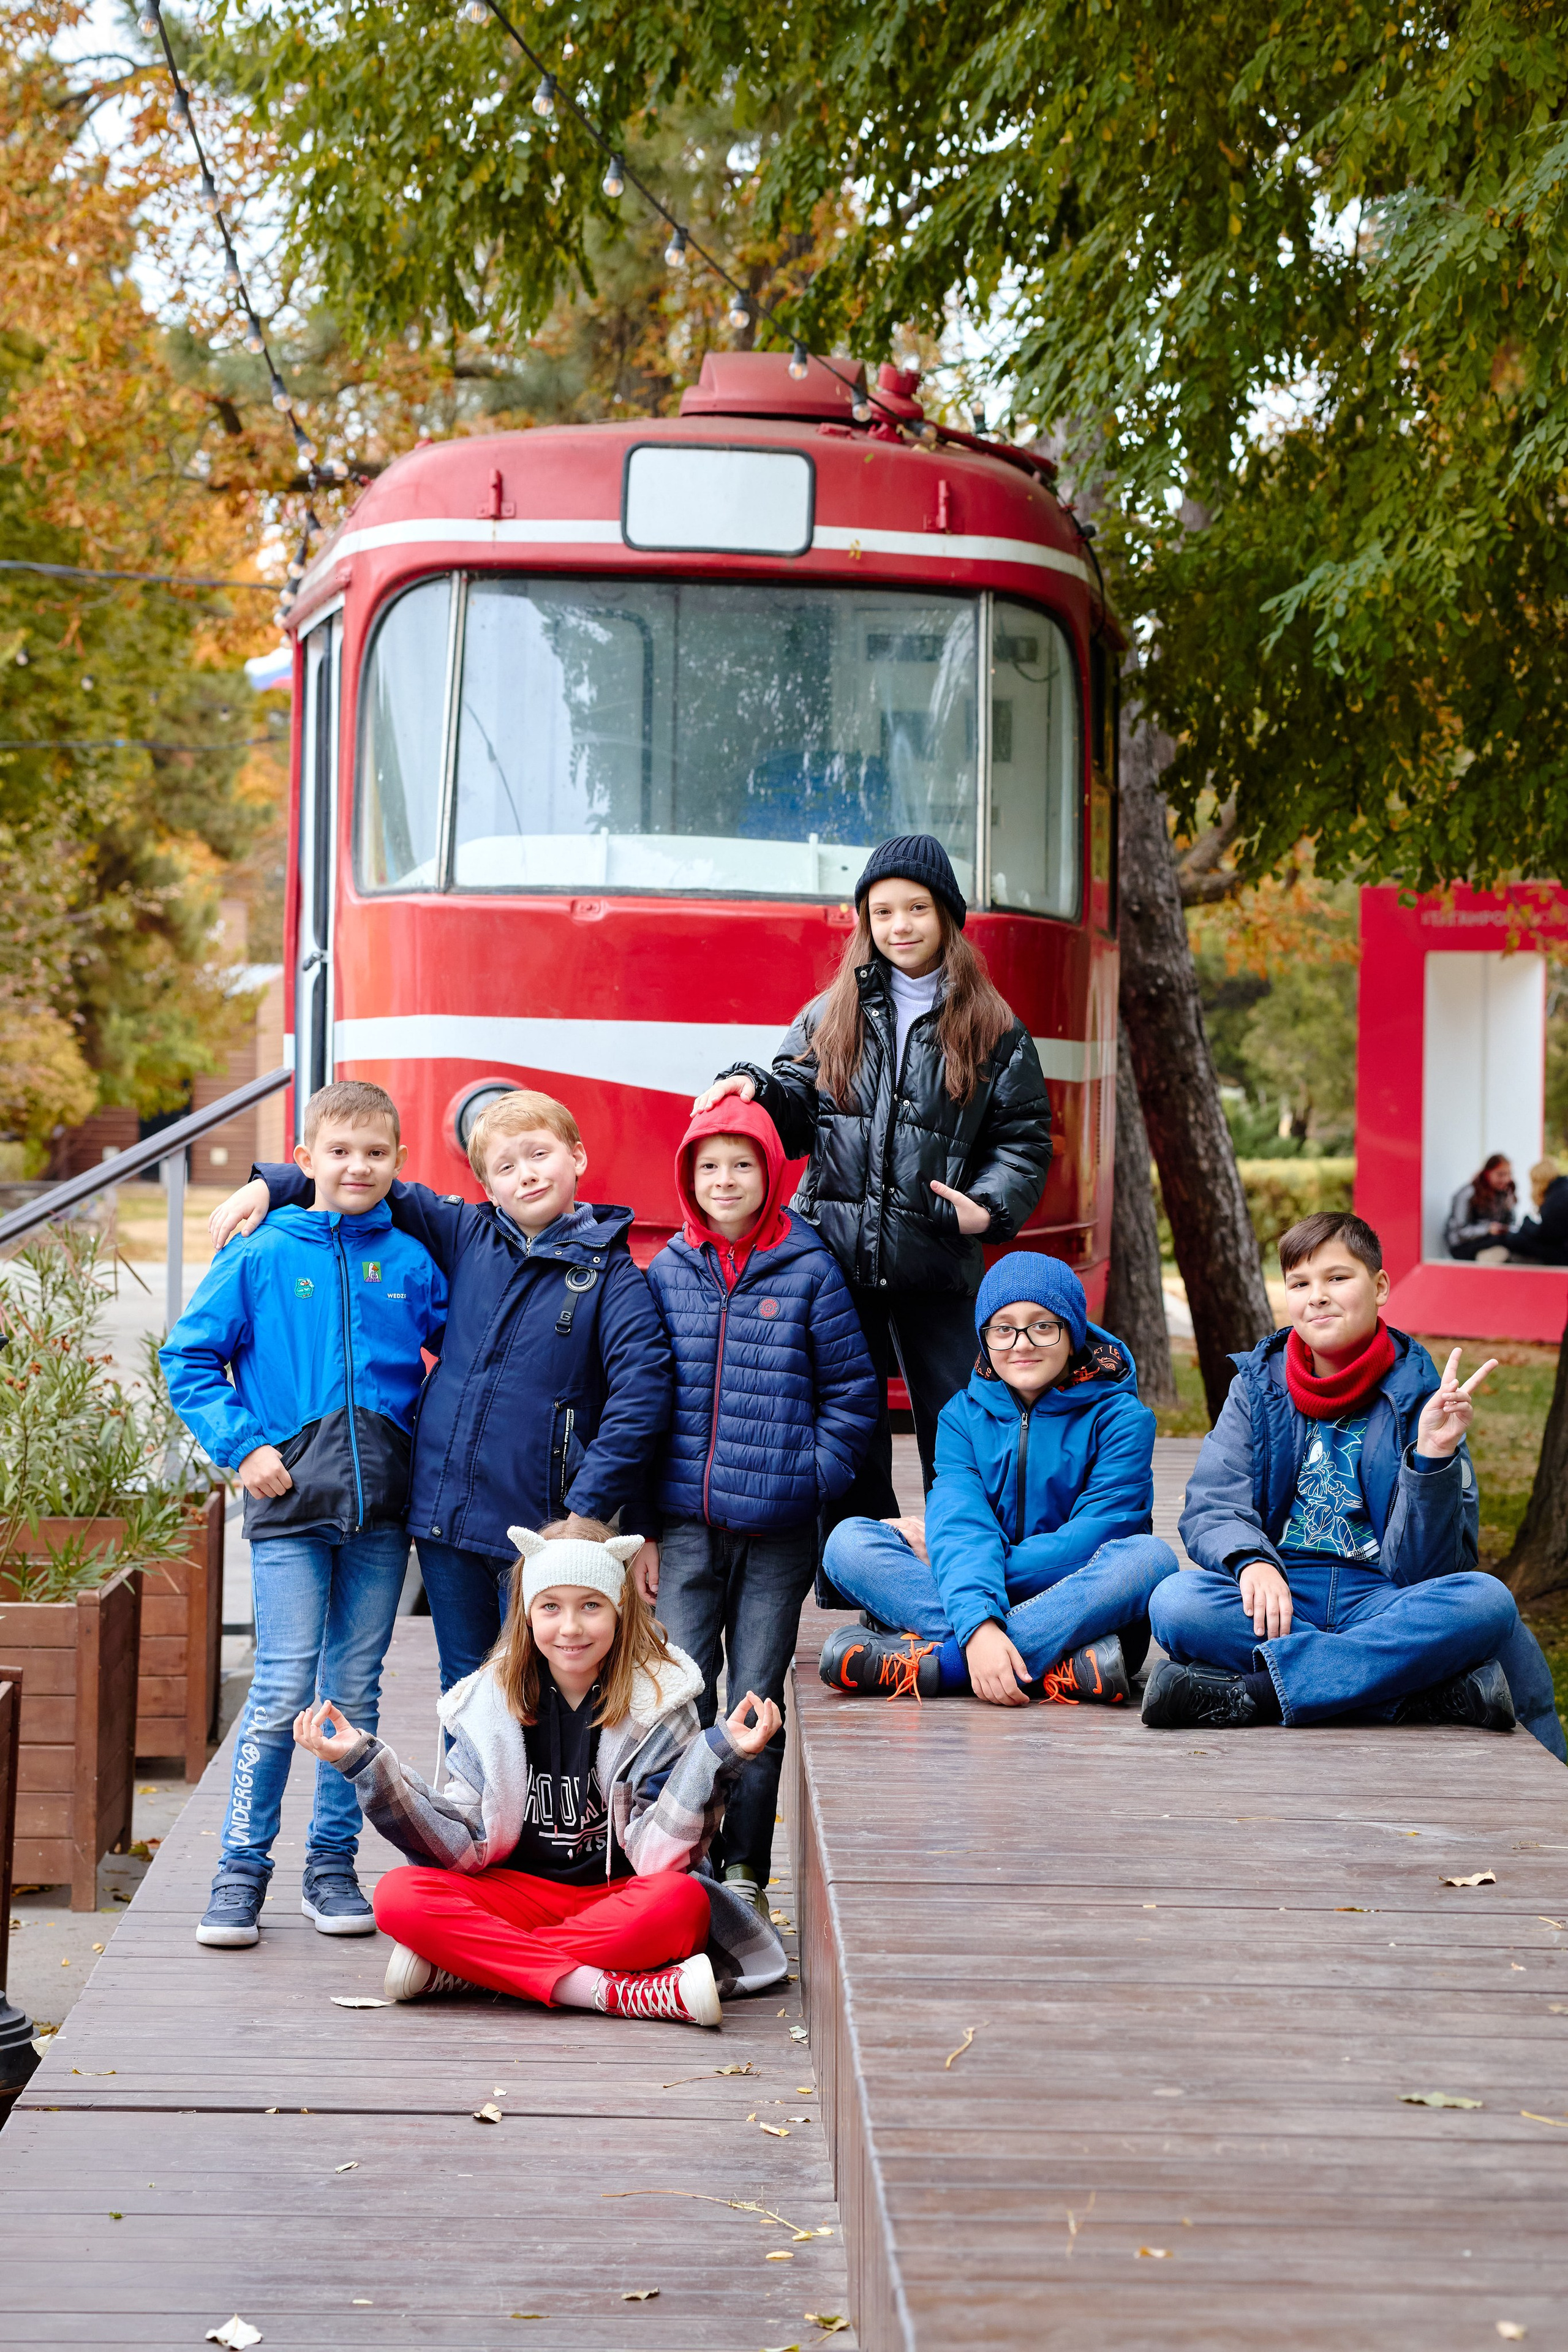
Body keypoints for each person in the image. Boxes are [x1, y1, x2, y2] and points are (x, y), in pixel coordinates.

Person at [208, 1089, 673, 1692]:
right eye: (506, 1167)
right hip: (444, 1520)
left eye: (540, 1155)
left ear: (578, 1157)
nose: (526, 1175)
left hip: (544, 1529)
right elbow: (363, 1182)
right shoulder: (463, 1232)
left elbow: (641, 1399)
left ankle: (544, 1791)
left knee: (551, 1682)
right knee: (465, 1685)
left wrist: (585, 1513)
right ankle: (467, 1792)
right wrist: (269, 1185)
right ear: (487, 1185)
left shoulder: (613, 1279)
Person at [692, 833, 1052, 1549]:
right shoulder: (830, 1014)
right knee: (848, 1420)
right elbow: (793, 1102)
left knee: (958, 1422)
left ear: (947, 916)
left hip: (939, 1257)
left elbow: (1024, 1138)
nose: (901, 926)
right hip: (834, 1258)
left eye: (916, 908)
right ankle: (863, 1567)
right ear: (866, 922)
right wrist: (756, 1085)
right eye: (882, 912)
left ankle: (965, 1559)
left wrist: (989, 1205)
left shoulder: (994, 1028)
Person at [161, 1079, 448, 1947]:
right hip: (288, 1509)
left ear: (397, 1165)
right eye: (339, 1151)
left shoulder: (410, 1263)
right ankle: (239, 1870)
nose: (356, 1166)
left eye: (374, 1153)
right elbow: (189, 1357)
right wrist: (244, 1447)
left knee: (351, 1692)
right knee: (283, 1685)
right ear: (305, 1160)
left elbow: (467, 1360)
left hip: (381, 1516)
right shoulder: (260, 1251)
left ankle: (332, 1867)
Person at [293, 1520, 788, 2024]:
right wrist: (363, 1762)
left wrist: (713, 1755)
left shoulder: (661, 1700)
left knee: (681, 1901)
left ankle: (473, 1969)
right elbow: (460, 1843)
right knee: (399, 1895)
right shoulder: (485, 1704)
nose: (570, 1627)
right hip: (515, 1891)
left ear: (619, 1609)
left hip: (619, 1894)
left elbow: (661, 1858)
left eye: (590, 1605)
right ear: (528, 1615)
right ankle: (611, 1991)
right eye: (551, 1606)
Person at [1145, 1210, 1566, 1754]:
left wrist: (1433, 1458)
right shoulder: (1258, 1386)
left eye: (1337, 1278)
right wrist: (1251, 1560)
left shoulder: (1421, 1392)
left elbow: (1430, 1571)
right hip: (1282, 1596)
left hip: (1384, 1599)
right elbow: (1212, 1503)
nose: (1317, 1296)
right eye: (1300, 1283)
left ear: (1380, 1286)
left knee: (1484, 1601)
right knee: (1177, 1602)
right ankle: (1413, 1694)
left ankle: (1258, 1694)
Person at [644, 1098, 878, 1919]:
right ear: (688, 1178)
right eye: (708, 1166)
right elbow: (642, 1397)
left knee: (754, 1695)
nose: (724, 1180)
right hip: (684, 1526)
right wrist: (639, 1524)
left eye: (742, 1164)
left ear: (772, 1173)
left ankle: (745, 1868)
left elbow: (854, 1394)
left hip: (778, 1530)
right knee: (681, 1689)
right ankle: (681, 1853)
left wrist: (810, 1476)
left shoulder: (809, 1268)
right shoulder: (670, 1270)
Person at [817, 1253, 1179, 1703]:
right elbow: (962, 1517)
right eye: (1003, 1328)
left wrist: (966, 1573)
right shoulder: (961, 1418)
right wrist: (976, 1608)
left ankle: (946, 1663)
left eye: (1043, 1326)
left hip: (1073, 1600)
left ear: (1073, 1334)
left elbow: (1098, 1537)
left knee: (1148, 1559)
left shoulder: (1122, 1418)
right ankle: (1057, 1666)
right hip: (997, 1601)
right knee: (848, 1542)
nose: (1021, 1343)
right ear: (984, 1338)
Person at [1444, 1154, 1517, 1261]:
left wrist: (1509, 1204)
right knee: (1503, 1242)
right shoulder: (1468, 1193)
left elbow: (1511, 1222)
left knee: (1517, 1240)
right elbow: (1461, 1232)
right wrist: (1488, 1229)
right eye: (1500, 1175)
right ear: (1487, 1174)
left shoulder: (1503, 1194)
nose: (1506, 1179)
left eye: (1508, 1175)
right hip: (1462, 1246)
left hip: (1487, 1240)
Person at [1506, 1159, 1568, 1267]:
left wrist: (1527, 1223)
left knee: (1514, 1239)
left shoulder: (1556, 1198)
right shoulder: (1561, 1190)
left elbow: (1546, 1235)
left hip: (1563, 1255)